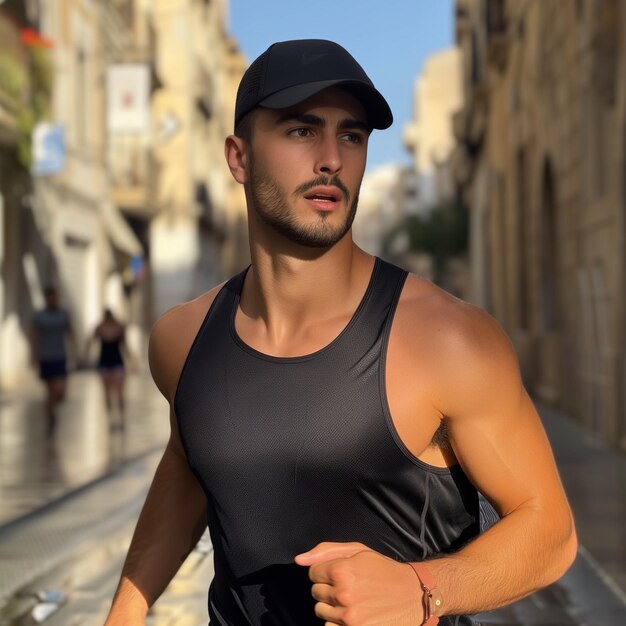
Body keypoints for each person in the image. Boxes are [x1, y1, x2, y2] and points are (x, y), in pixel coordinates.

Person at [105, 39, 577, 625]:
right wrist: (124, 611)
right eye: (302, 131)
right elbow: (190, 464)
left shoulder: (447, 339)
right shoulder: (181, 340)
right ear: (239, 158)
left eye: (351, 136)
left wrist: (420, 589)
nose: (331, 157)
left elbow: (549, 530)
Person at [30, 286, 75, 434]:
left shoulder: (63, 314)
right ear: (47, 299)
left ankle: (51, 408)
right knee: (49, 391)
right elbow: (34, 335)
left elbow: (70, 332)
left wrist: (76, 351)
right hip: (45, 357)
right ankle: (51, 417)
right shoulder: (40, 316)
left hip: (60, 357)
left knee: (60, 392)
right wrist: (32, 355)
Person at [85, 309, 129, 427]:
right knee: (108, 393)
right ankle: (112, 419)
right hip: (105, 363)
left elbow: (125, 345)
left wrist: (131, 360)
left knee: (118, 393)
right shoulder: (100, 328)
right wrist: (86, 356)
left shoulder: (119, 327)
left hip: (116, 362)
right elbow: (90, 342)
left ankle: (120, 418)